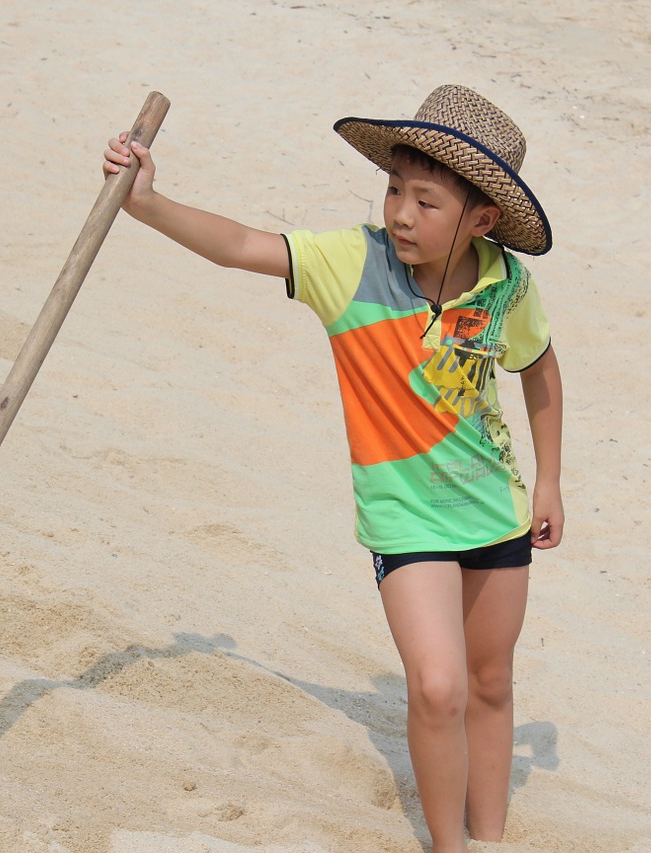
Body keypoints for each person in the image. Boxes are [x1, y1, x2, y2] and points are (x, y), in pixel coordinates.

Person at [104, 84, 563, 851]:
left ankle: (491, 838)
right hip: (406, 518)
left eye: (426, 202)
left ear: (482, 221)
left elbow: (540, 371)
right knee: (439, 685)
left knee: (489, 683)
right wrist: (147, 203)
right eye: (393, 191)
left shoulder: (507, 285)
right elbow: (244, 244)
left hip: (494, 510)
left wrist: (548, 480)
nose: (401, 215)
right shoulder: (352, 263)